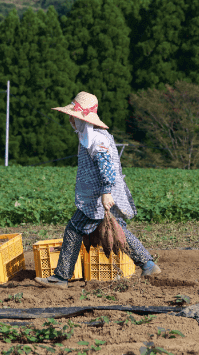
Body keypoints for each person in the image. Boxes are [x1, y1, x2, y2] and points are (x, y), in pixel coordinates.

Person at [34, 91, 161, 287]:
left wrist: (106, 192)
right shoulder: (88, 136)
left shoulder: (97, 140)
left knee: (74, 229)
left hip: (98, 197)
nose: (70, 119)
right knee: (118, 229)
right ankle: (148, 264)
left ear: (82, 119)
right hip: (98, 195)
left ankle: (60, 278)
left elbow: (107, 168)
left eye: (73, 116)